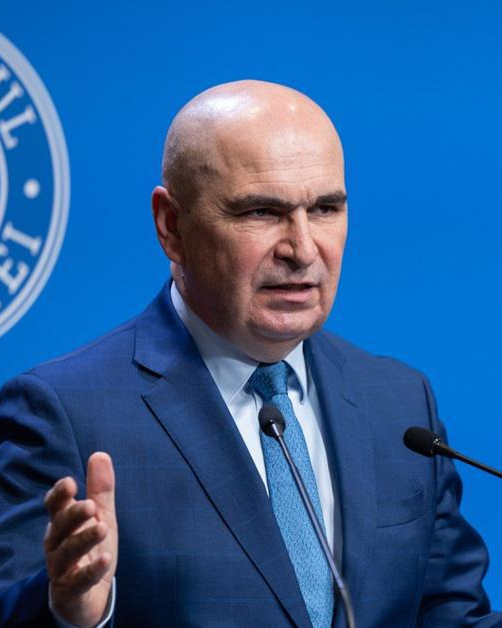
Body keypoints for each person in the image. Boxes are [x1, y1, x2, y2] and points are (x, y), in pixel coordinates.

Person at [0, 80, 500, 627]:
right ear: (172, 226)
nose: (302, 250)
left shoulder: (400, 404)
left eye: (325, 208)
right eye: (261, 212)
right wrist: (73, 613)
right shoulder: (65, 413)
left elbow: (451, 615)